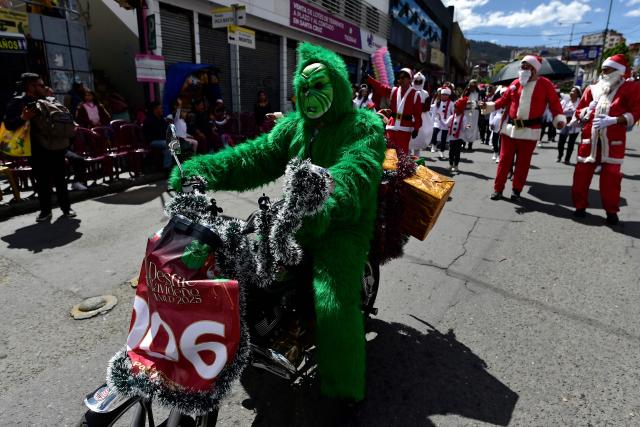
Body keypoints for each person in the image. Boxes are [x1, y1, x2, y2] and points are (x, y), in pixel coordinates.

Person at [170, 43, 386, 403]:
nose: (310, 94)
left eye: (320, 86)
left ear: (339, 86)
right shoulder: (293, 127)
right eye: (304, 87)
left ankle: (344, 389)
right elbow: (255, 157)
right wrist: (199, 170)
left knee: (332, 303)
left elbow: (357, 169)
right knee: (231, 265)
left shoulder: (362, 125)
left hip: (341, 225)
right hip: (292, 217)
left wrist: (327, 192)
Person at [480, 55, 566, 201]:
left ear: (534, 69)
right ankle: (498, 189)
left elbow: (555, 104)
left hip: (530, 131)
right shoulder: (515, 84)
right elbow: (502, 101)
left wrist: (558, 119)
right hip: (510, 130)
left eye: (526, 66)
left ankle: (516, 191)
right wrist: (488, 106)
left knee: (523, 164)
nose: (523, 69)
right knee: (504, 161)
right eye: (522, 66)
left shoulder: (545, 84)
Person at [571, 54, 640, 225]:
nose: (604, 73)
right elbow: (579, 111)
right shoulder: (592, 89)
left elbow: (636, 111)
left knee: (611, 178)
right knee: (581, 174)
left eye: (607, 70)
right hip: (590, 139)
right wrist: (584, 113)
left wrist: (615, 120)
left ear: (618, 71)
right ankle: (580, 207)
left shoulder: (631, 88)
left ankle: (611, 211)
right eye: (602, 70)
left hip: (613, 140)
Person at [4, 73, 76, 221]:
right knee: (43, 181)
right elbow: (8, 125)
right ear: (31, 86)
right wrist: (23, 118)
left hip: (56, 145)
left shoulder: (48, 100)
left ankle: (66, 208)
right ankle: (45, 211)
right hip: (36, 148)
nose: (45, 88)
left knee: (60, 179)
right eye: (41, 85)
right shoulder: (18, 102)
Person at [368, 68, 422, 154]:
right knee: (389, 153)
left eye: (403, 77)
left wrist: (416, 128)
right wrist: (369, 79)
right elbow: (381, 87)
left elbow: (417, 114)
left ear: (410, 79)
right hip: (391, 127)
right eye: (399, 77)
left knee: (401, 154)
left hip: (404, 129)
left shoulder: (415, 94)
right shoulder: (394, 90)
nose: (400, 80)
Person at [408, 72, 434, 159]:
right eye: (416, 81)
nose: (418, 83)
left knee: (419, 139)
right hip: (410, 117)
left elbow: (427, 107)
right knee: (408, 140)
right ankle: (406, 161)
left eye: (420, 82)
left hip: (422, 118)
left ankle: (416, 162)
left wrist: (418, 108)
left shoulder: (425, 93)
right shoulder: (410, 91)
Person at [143, 101, 171, 174]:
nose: (162, 110)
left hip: (162, 141)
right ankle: (166, 167)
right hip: (152, 141)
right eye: (160, 108)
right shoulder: (149, 120)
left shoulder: (161, 119)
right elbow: (154, 134)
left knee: (169, 148)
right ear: (155, 109)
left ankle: (167, 168)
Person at [556, 86, 581, 164]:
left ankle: (567, 159)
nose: (571, 92)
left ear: (578, 94)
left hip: (575, 126)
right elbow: (559, 110)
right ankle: (560, 156)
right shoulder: (565, 101)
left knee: (571, 143)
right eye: (571, 91)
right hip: (564, 125)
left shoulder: (581, 102)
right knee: (561, 142)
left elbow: (582, 113)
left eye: (573, 91)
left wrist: (574, 113)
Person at [430, 86, 454, 159]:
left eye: (446, 95)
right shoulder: (437, 102)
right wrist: (431, 122)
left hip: (446, 122)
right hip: (437, 121)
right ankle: (434, 144)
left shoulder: (451, 103)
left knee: (444, 138)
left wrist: (451, 123)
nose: (444, 96)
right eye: (443, 94)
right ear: (441, 95)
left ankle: (442, 151)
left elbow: (453, 114)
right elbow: (433, 113)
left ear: (448, 96)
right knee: (434, 133)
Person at [446, 97, 469, 173]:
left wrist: (466, 126)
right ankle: (450, 164)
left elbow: (464, 126)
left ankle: (456, 166)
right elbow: (446, 124)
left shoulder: (464, 118)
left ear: (461, 109)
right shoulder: (451, 117)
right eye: (454, 108)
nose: (454, 110)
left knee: (457, 152)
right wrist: (440, 120)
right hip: (451, 137)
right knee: (451, 152)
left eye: (456, 108)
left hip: (459, 137)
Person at [463, 80, 481, 152]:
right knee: (466, 126)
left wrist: (478, 102)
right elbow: (462, 101)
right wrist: (468, 102)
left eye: (474, 86)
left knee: (473, 127)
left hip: (474, 112)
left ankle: (470, 144)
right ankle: (463, 143)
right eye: (471, 86)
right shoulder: (466, 92)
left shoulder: (478, 93)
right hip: (466, 111)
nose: (473, 87)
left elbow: (481, 102)